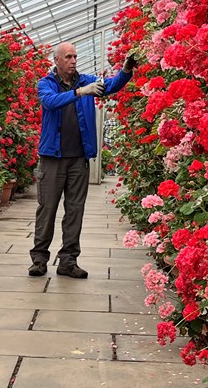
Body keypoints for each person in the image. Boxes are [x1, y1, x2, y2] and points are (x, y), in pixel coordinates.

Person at [29, 42, 135, 278]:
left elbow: (111, 85)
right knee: (47, 209)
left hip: (78, 159)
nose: (74, 60)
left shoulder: (86, 80)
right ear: (56, 60)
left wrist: (125, 71)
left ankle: (68, 261)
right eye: (68, 56)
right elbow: (50, 102)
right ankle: (39, 260)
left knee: (75, 210)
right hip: (52, 159)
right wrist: (80, 92)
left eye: (75, 56)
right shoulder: (46, 83)